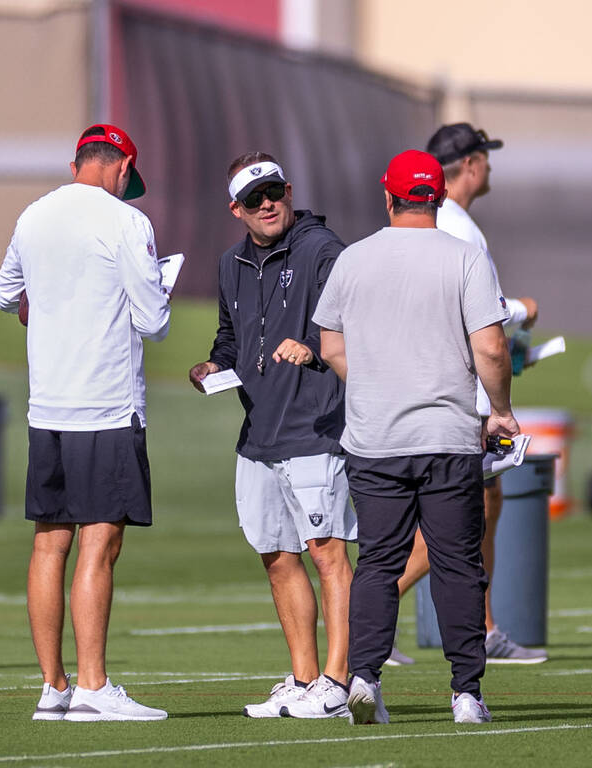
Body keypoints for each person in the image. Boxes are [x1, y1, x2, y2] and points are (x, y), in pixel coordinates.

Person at [314, 149, 517, 725]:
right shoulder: (465, 257)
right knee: (457, 564)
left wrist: (377, 382)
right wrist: (499, 410)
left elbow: (329, 345)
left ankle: (364, 678)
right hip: (447, 435)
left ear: (388, 196)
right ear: (440, 197)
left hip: (375, 437)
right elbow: (492, 347)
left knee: (378, 561)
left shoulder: (352, 259)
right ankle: (466, 694)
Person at [0, 124, 170, 721]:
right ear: (121, 166)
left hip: (47, 406)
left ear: (78, 162)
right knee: (100, 544)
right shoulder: (127, 222)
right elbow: (153, 321)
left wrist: (46, 302)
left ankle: (54, 686)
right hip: (105, 404)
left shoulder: (33, 215)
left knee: (49, 543)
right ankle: (94, 687)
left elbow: (4, 294)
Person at [188, 153, 355, 719]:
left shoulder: (321, 248)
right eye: (255, 198)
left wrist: (311, 345)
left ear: (288, 191)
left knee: (327, 553)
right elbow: (230, 337)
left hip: (315, 425)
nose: (268, 203)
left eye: (275, 191)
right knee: (277, 555)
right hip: (259, 432)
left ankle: (338, 681)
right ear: (236, 209)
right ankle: (306, 678)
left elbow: (347, 318)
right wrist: (213, 365)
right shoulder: (231, 262)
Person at [388, 124, 545, 666]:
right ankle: (370, 612)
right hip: (460, 397)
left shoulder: (444, 225)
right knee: (458, 516)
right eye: (487, 159)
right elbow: (477, 316)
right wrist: (522, 309)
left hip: (441, 391)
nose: (491, 169)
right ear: (471, 164)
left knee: (482, 509)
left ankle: (483, 626)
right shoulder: (456, 229)